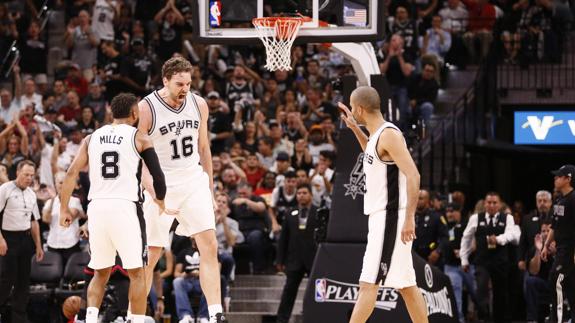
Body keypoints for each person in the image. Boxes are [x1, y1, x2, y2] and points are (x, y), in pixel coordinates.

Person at [59, 93, 171, 323]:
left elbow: (70, 174)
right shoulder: (139, 137)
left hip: (97, 208)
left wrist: (63, 209)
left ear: (111, 113)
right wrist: (160, 199)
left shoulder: (91, 138)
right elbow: (158, 178)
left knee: (100, 272)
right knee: (137, 273)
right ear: (134, 113)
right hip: (125, 207)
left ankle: (88, 319)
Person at [137, 57, 226, 323]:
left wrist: (209, 189)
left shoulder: (198, 104)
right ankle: (135, 314)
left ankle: (215, 314)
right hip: (160, 182)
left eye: (188, 83)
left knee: (209, 246)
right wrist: (153, 192)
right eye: (179, 84)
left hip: (192, 180)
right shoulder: (146, 108)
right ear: (165, 80)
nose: (185, 88)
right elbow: (138, 156)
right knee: (151, 255)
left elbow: (204, 149)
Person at [339, 86, 428, 323]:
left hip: (391, 217)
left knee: (368, 283)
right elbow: (372, 153)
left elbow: (414, 176)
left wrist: (408, 218)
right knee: (407, 286)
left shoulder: (389, 134)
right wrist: (354, 128)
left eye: (352, 105)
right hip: (384, 216)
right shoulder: (377, 136)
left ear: (359, 108)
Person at [460, 192, 520, 323]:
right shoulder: (476, 218)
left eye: (494, 203)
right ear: (484, 204)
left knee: (500, 293)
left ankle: (499, 319)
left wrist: (498, 240)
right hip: (482, 261)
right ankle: (483, 317)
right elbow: (466, 238)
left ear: (499, 205)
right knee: (481, 288)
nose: (491, 205)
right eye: (489, 202)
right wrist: (464, 259)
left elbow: (511, 234)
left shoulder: (508, 218)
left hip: (500, 262)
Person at [0, 160, 44, 323]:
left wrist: (38, 245)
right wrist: (1, 240)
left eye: (32, 175)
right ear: (17, 172)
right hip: (7, 238)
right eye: (26, 174)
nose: (29, 178)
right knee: (7, 279)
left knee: (23, 281)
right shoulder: (5, 189)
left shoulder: (32, 194)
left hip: (25, 240)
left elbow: (34, 222)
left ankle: (19, 318)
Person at [276, 184, 319, 323]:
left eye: (304, 192)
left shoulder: (319, 212)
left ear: (311, 195)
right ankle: (282, 320)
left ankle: (315, 317)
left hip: (314, 259)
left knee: (316, 292)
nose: (301, 195)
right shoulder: (290, 213)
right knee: (289, 292)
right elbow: (283, 239)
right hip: (294, 260)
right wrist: (280, 260)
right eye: (299, 193)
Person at [542, 165, 575, 322]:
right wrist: (546, 245)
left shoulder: (574, 199)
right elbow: (554, 225)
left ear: (568, 179)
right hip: (561, 248)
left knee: (556, 279)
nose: (555, 179)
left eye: (559, 176)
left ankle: (558, 319)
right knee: (569, 285)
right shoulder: (559, 200)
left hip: (571, 249)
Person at [443, 203, 476, 323]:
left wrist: (464, 251)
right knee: (455, 292)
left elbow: (474, 244)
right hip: (450, 266)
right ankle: (459, 319)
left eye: (452, 211)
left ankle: (480, 314)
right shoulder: (444, 225)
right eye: (447, 212)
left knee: (475, 293)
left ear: (459, 212)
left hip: (466, 265)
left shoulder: (467, 224)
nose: (449, 214)